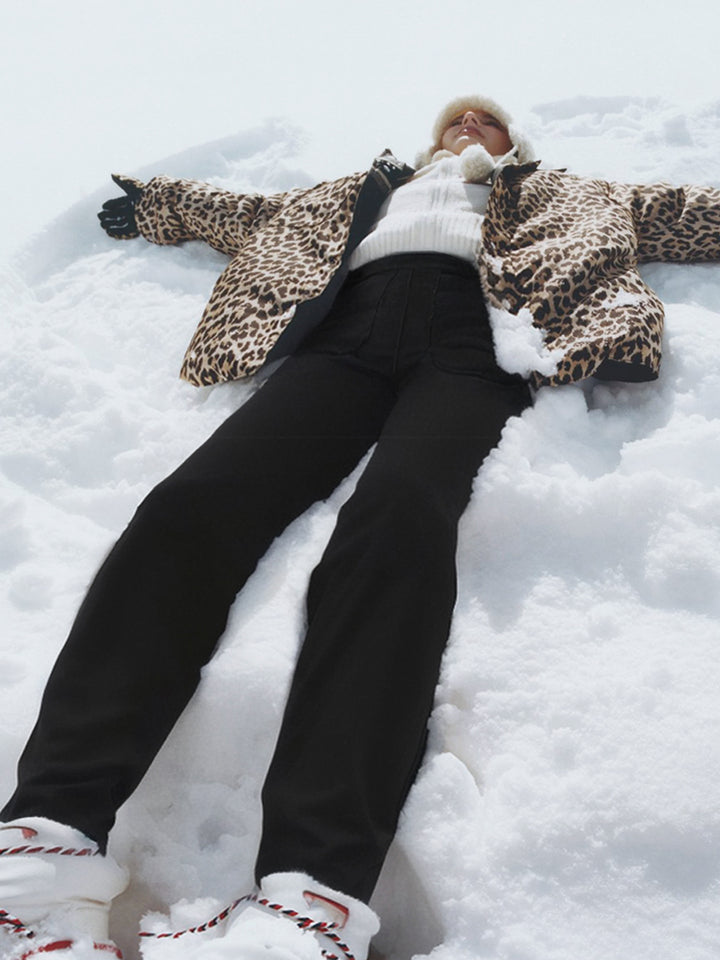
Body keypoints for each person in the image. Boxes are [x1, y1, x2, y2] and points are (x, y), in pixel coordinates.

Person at [1, 94, 719, 960]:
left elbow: (688, 213)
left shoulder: (571, 191)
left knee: (398, 522)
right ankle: (45, 848)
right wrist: (162, 203)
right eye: (455, 119)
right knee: (188, 507)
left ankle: (311, 896)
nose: (467, 126)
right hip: (345, 339)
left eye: (486, 119)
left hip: (479, 339)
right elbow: (252, 216)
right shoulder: (372, 188)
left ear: (513, 140)